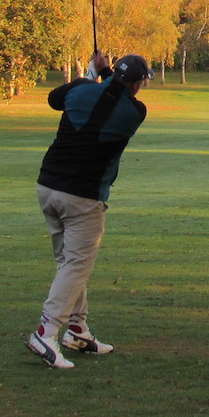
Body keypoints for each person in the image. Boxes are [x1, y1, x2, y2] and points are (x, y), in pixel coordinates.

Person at [27, 51, 152, 369]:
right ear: (137, 84)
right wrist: (104, 73)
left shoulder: (80, 88)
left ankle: (78, 331)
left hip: (48, 187)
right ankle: (46, 331)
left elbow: (56, 98)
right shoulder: (135, 111)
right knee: (76, 266)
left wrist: (91, 72)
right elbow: (112, 95)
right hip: (82, 197)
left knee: (67, 264)